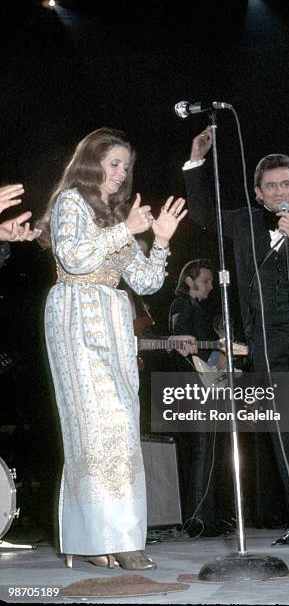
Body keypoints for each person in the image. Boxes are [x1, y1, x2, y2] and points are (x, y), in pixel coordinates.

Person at [182, 127, 289, 546]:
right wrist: (196, 161)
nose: (278, 191)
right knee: (284, 437)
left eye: (285, 184)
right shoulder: (245, 225)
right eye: (270, 186)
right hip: (268, 345)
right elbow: (204, 213)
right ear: (258, 193)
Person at [36, 127, 186, 570]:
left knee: (118, 427)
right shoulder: (70, 201)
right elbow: (74, 257)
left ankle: (98, 538)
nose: (121, 173)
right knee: (96, 428)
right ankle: (114, 539)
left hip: (114, 325)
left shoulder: (116, 215)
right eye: (114, 163)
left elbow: (146, 282)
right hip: (77, 316)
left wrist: (159, 240)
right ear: (91, 162)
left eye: (126, 165)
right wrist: (125, 231)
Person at [169, 259, 234, 537]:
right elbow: (182, 345)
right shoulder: (181, 306)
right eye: (206, 281)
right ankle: (197, 520)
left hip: (205, 386)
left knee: (209, 452)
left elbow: (208, 354)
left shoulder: (201, 310)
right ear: (189, 281)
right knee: (201, 452)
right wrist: (213, 361)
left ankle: (210, 516)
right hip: (192, 386)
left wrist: (220, 354)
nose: (210, 286)